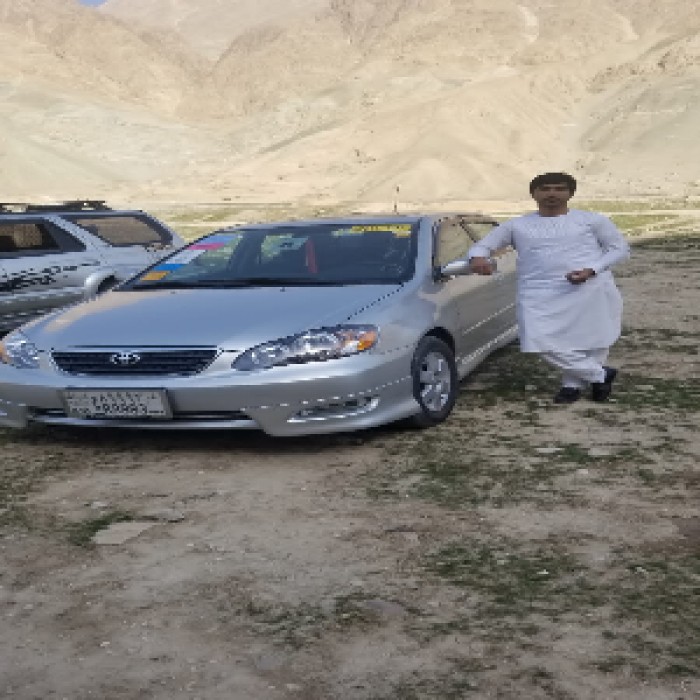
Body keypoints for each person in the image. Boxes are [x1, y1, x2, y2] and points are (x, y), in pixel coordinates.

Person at [468, 172, 630, 404]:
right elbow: (483, 246)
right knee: (539, 339)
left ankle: (572, 385)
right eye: (545, 189)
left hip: (589, 286)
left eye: (559, 188)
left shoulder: (592, 220)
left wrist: (592, 270)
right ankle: (600, 375)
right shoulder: (517, 225)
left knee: (592, 337)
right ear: (534, 194)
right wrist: (478, 258)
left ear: (570, 193)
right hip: (538, 291)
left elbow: (618, 249)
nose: (552, 193)